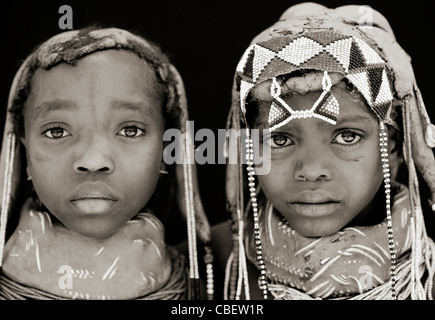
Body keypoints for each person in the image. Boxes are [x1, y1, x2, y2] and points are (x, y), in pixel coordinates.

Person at [217, 2, 435, 300]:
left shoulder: (427, 274)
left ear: (393, 143)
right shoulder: (209, 263)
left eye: (347, 136)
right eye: (279, 140)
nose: (311, 169)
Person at [0, 27, 213, 300]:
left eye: (130, 130)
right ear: (24, 148)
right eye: (57, 132)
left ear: (165, 146)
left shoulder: (215, 275)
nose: (93, 161)